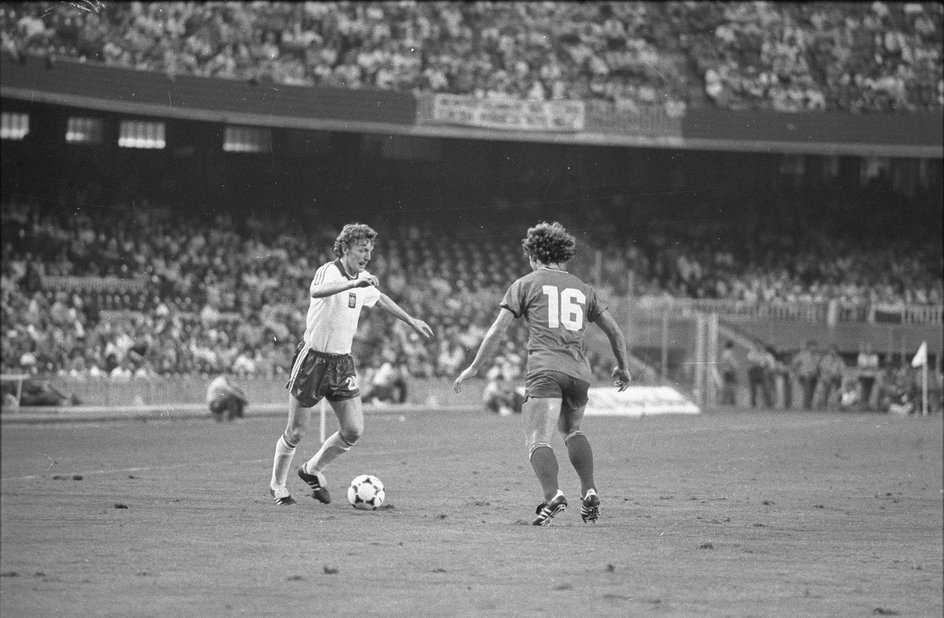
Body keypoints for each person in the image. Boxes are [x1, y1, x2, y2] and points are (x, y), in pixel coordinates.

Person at [454, 221, 631, 526]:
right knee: (573, 430)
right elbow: (615, 332)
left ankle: (553, 496)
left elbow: (498, 330)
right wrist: (623, 366)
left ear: (534, 255)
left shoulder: (526, 283)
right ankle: (589, 490)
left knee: (538, 439)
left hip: (545, 371)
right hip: (579, 374)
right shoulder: (583, 288)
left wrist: (474, 367)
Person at [268, 223, 433, 506]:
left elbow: (380, 299)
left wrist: (411, 320)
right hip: (312, 359)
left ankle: (312, 470)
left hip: (341, 362)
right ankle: (278, 486)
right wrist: (353, 283)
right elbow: (317, 290)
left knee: (353, 430)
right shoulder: (330, 271)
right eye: (361, 249)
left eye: (370, 250)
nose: (367, 255)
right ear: (345, 248)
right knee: (296, 431)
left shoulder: (364, 279)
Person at [791, 339, 821, 410]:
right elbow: (793, 364)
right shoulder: (802, 355)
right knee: (808, 380)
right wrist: (798, 372)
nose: (814, 348)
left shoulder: (817, 356)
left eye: (815, 346)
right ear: (808, 347)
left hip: (814, 376)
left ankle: (811, 404)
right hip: (803, 376)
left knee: (814, 384)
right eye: (812, 346)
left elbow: (819, 368)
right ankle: (806, 405)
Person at [817, 345, 845, 411]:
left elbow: (842, 369)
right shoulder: (825, 359)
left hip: (836, 378)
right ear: (829, 351)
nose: (833, 352)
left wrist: (837, 374)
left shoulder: (839, 359)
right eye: (832, 350)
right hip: (826, 378)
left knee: (840, 387)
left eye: (834, 350)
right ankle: (824, 405)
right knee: (827, 386)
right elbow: (823, 369)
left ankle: (838, 405)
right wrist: (829, 374)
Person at [718, 340, 739, 406]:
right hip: (729, 371)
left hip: (726, 371)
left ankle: (725, 401)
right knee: (730, 387)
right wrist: (735, 366)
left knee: (727, 386)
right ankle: (730, 401)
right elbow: (731, 362)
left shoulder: (724, 352)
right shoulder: (728, 353)